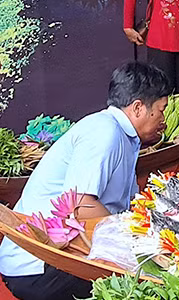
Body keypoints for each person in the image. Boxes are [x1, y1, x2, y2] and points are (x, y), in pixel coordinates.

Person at [0, 62, 170, 300]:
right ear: (138, 108)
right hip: (38, 265)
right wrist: (135, 243)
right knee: (148, 286)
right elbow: (81, 205)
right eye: (161, 110)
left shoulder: (125, 136)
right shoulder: (104, 132)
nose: (164, 119)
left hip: (63, 252)